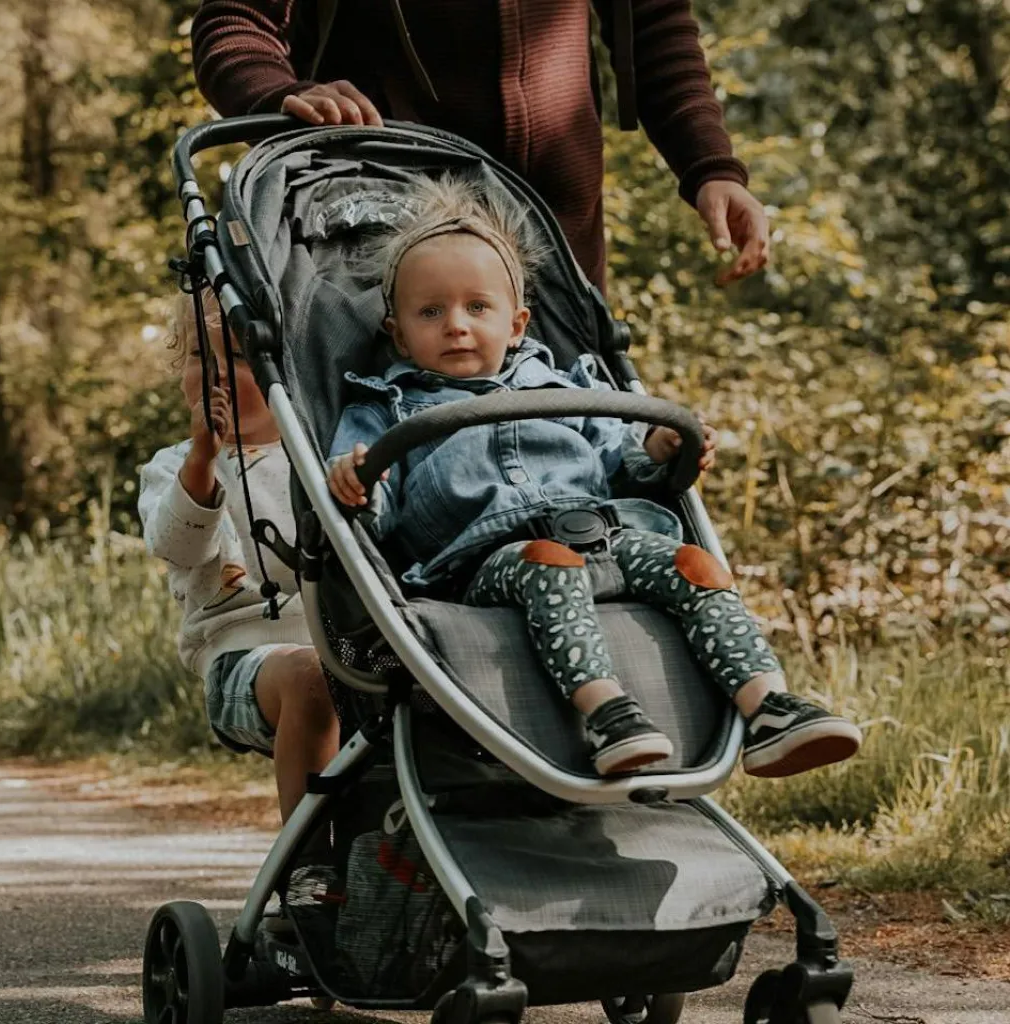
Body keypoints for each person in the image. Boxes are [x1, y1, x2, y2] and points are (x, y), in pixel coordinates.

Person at [327, 176, 860, 776]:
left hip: (609, 533)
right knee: (548, 565)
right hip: (484, 562)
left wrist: (657, 448)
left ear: (517, 324)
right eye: (431, 311)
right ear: (398, 334)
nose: (456, 325)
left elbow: (619, 459)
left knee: (695, 565)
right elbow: (368, 498)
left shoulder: (566, 387)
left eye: (477, 307)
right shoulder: (384, 408)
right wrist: (357, 482)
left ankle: (768, 707)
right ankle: (609, 715)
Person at [190, 0, 770, 291]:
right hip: (381, 250)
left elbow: (656, 27)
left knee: (576, 454)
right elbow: (234, 22)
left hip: (560, 256)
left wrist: (710, 166)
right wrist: (285, 96)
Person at [138, 290, 340, 822]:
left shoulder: (324, 456)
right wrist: (203, 459)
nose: (219, 374)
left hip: (342, 647)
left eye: (243, 356)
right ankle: (308, 855)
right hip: (240, 659)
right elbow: (179, 545)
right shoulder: (173, 467)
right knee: (312, 680)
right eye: (201, 355)